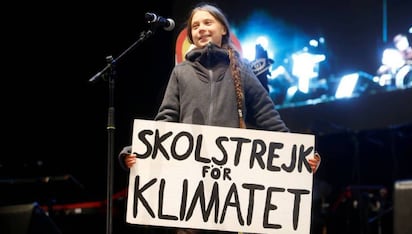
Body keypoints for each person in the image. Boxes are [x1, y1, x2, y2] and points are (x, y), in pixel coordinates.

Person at [119, 3, 321, 233]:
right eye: (195, 26)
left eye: (208, 22)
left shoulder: (242, 70)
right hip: (190, 191)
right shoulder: (181, 72)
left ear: (223, 29)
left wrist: (299, 156)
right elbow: (165, 120)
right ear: (190, 35)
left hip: (229, 194)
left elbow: (269, 118)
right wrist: (140, 151)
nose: (201, 29)